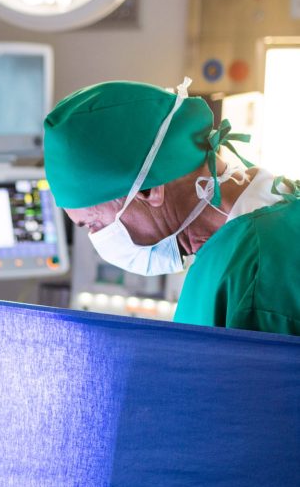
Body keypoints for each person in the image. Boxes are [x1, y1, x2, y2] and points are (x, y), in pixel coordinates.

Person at [43, 78, 300, 334]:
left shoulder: (255, 271)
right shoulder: (256, 231)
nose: (96, 237)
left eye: (94, 224)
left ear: (148, 190)